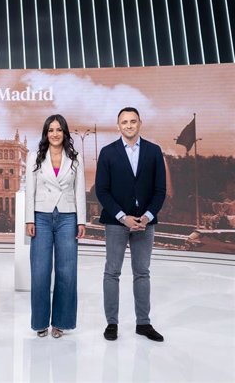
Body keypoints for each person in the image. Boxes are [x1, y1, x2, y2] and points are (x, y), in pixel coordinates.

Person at [96, 107, 166, 342]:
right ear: (118, 126)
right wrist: (122, 217)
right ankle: (112, 324)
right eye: (124, 122)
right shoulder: (107, 152)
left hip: (145, 223)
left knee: (142, 273)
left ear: (140, 123)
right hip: (116, 222)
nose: (128, 125)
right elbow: (102, 191)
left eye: (132, 121)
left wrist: (146, 216)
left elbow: (160, 191)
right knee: (112, 272)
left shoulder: (154, 151)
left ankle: (143, 324)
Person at [25, 115, 86, 339]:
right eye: (51, 130)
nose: (55, 134)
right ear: (46, 133)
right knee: (40, 271)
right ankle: (40, 322)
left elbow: (79, 190)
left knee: (67, 272)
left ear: (65, 133)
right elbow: (30, 189)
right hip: (41, 216)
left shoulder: (76, 158)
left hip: (68, 217)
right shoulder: (34, 157)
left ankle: (60, 322)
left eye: (59, 130)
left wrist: (81, 221)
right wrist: (28, 219)